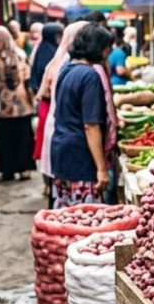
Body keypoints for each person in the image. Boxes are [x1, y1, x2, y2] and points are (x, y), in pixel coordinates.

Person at [49, 25, 116, 208]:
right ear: (98, 47)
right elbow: (91, 126)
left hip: (61, 151)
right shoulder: (89, 76)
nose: (109, 51)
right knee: (86, 216)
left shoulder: (67, 70)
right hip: (80, 155)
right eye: (108, 46)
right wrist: (101, 169)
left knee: (68, 217)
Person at [38, 21, 89, 206]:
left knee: (60, 188)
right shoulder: (71, 64)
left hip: (58, 126)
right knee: (68, 190)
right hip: (68, 128)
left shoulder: (59, 60)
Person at [0, 26, 35, 181]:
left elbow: (27, 78)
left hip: (20, 103)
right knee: (5, 138)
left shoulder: (19, 55)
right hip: (2, 105)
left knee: (23, 137)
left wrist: (32, 98)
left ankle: (24, 168)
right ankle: (8, 169)